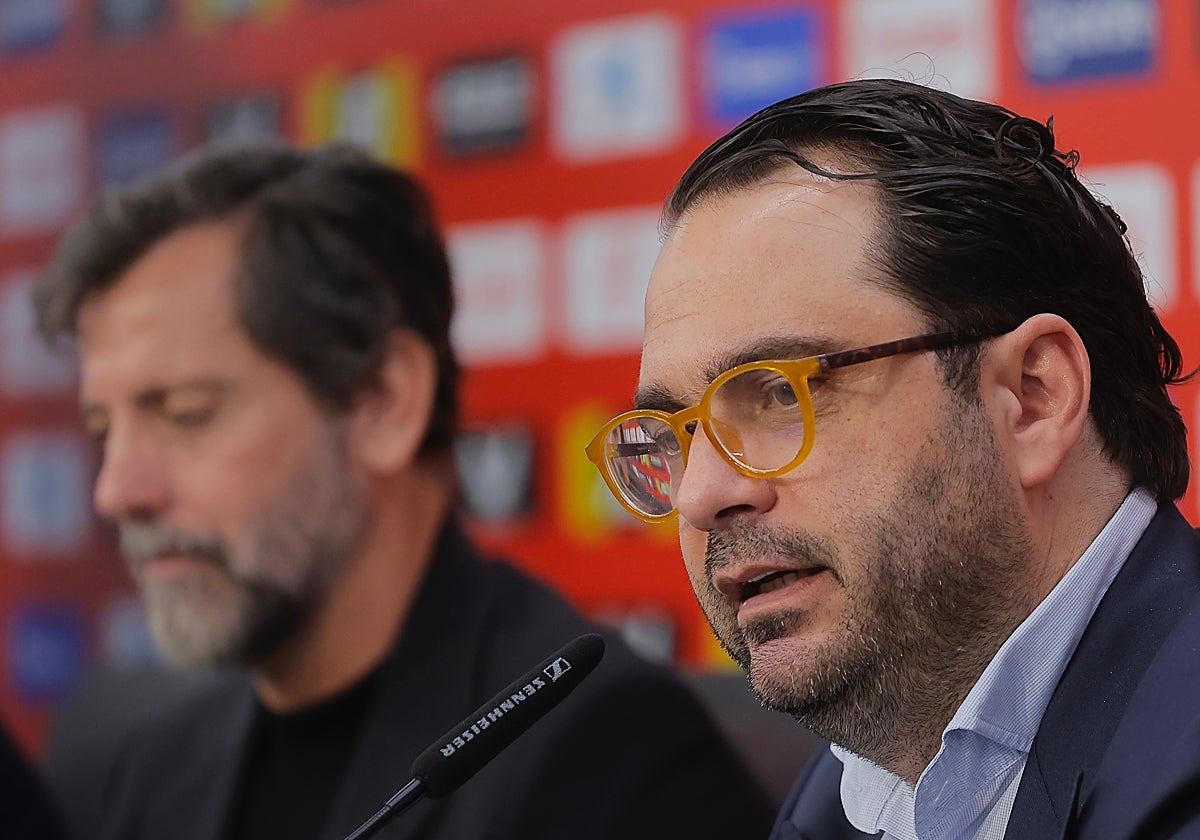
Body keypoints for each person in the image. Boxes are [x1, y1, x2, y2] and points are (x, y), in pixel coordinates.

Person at [34, 143, 774, 840]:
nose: (116, 490)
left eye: (185, 414)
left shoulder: (612, 764)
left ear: (384, 402)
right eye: (103, 430)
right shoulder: (156, 763)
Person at [585, 78, 1200, 840]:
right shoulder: (837, 802)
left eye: (777, 394)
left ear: (1032, 399)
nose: (700, 495)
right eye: (674, 432)